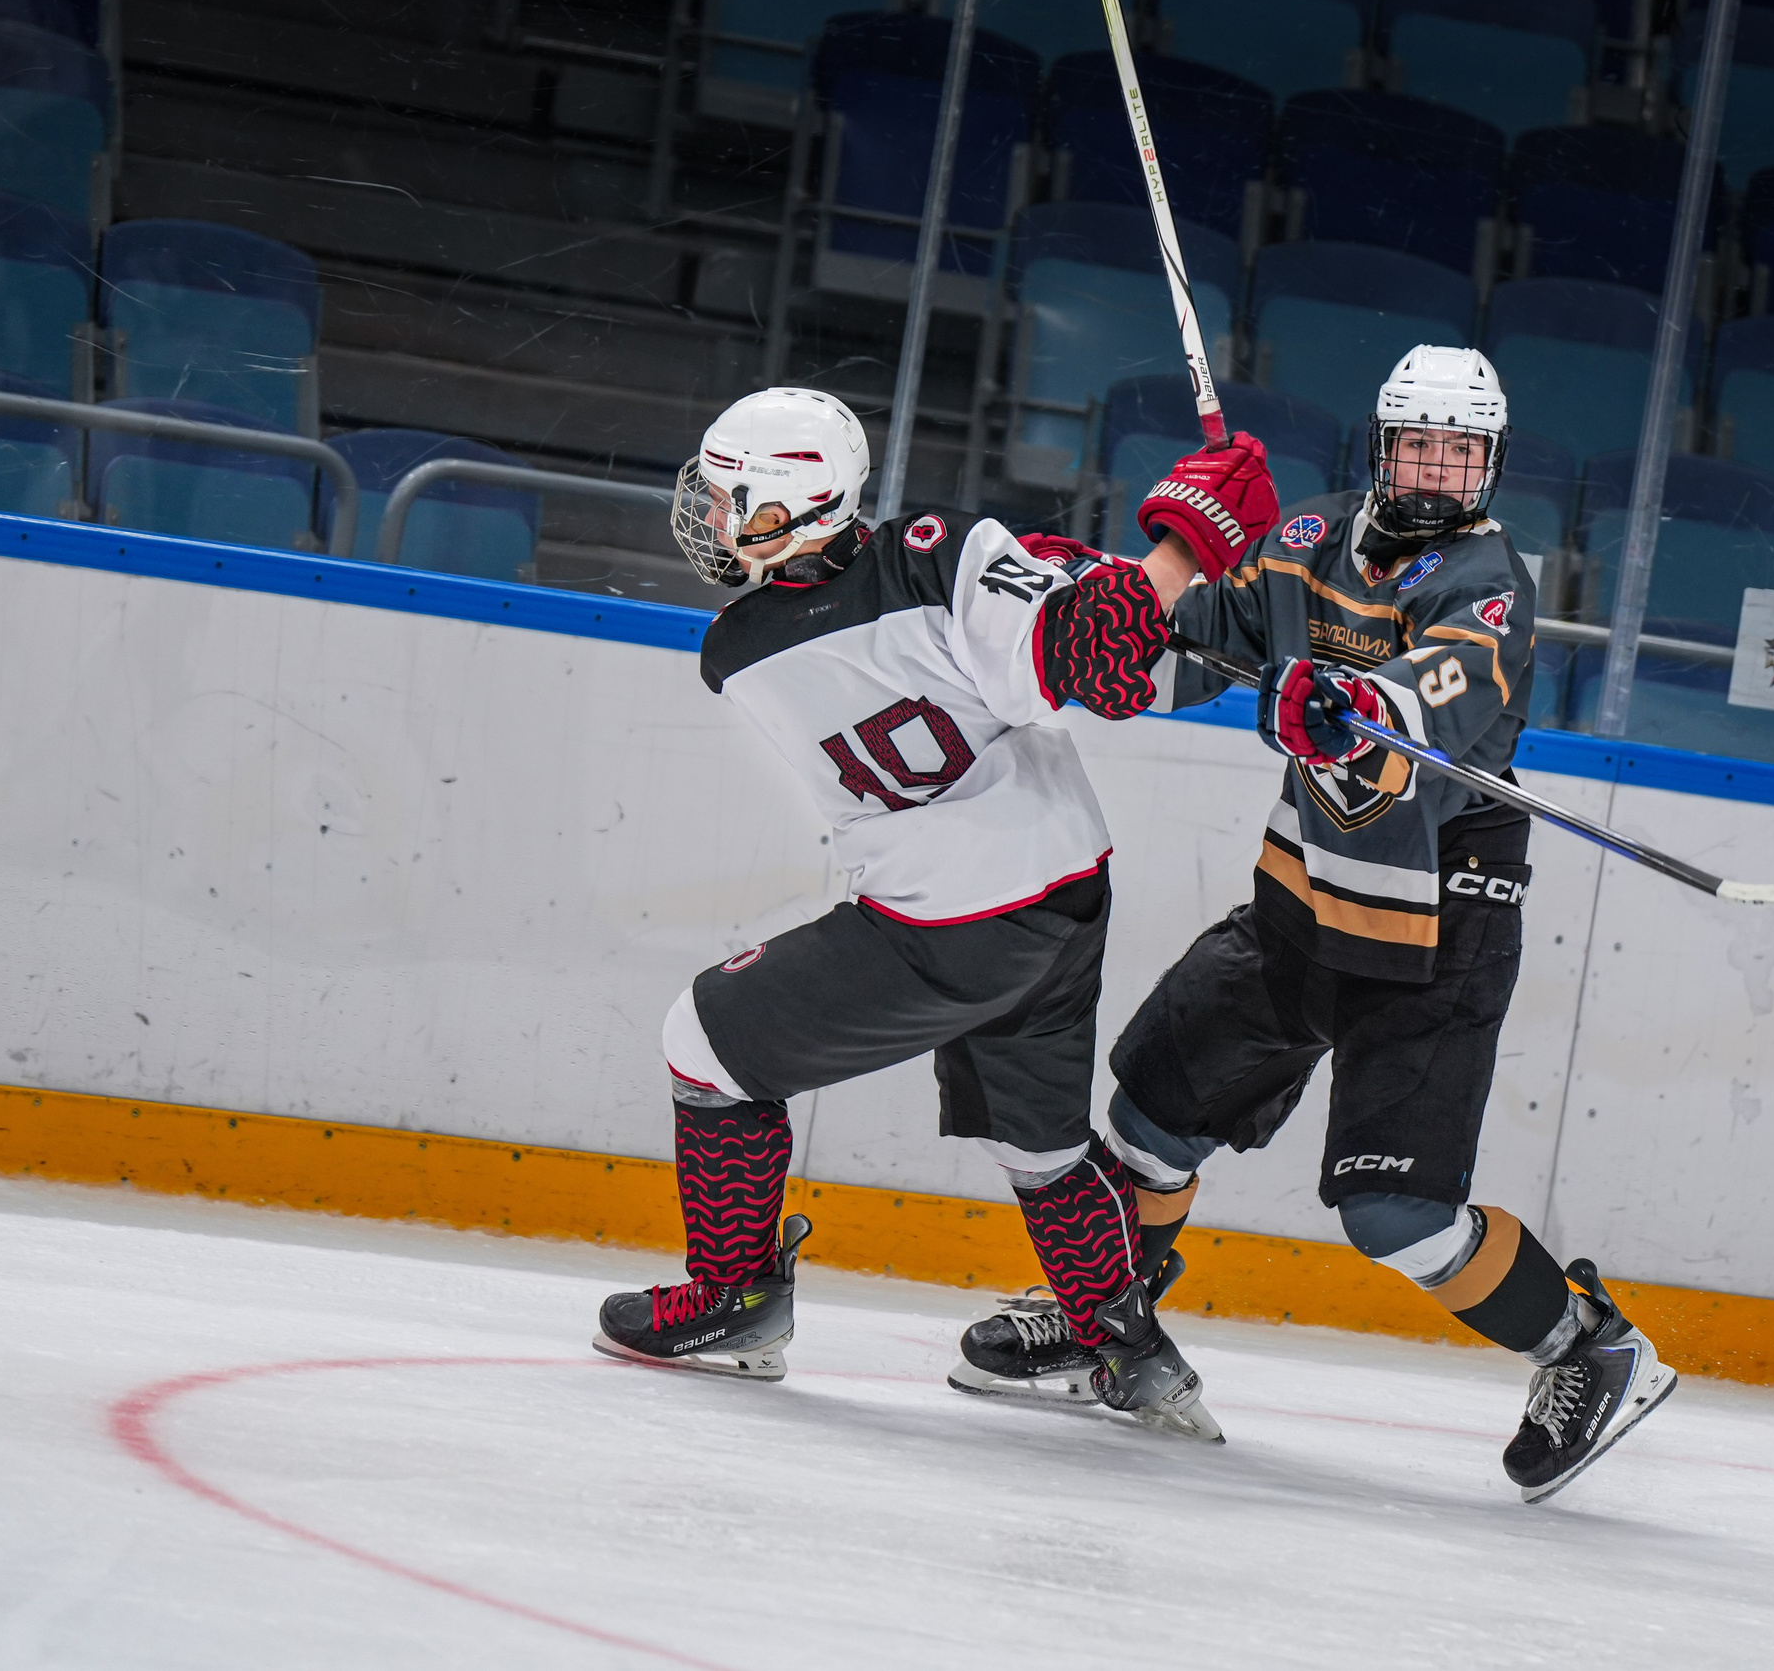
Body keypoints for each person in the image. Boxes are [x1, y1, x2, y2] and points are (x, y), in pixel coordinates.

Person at [949, 347, 1677, 1501]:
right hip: (1302, 892)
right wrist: (1099, 600)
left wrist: (1347, 711)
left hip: (1439, 918)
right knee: (1150, 1114)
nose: (1437, 469)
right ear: (1383, 448)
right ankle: (1108, 1318)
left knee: (1395, 1214)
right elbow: (1188, 652)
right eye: (1418, 446)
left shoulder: (1488, 578)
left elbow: (1433, 693)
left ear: (1486, 463)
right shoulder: (1307, 539)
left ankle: (1588, 1346)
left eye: (1461, 451)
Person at [590, 385, 1278, 1442]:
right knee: (1040, 1146)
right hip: (1060, 900)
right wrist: (1162, 553)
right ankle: (1129, 1353)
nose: (713, 520)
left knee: (704, 1044)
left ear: (793, 508)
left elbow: (1067, 659)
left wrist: (1145, 571)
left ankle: (735, 1301)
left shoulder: (742, 644)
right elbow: (1086, 667)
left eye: (732, 499)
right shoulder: (937, 551)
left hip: (944, 928)